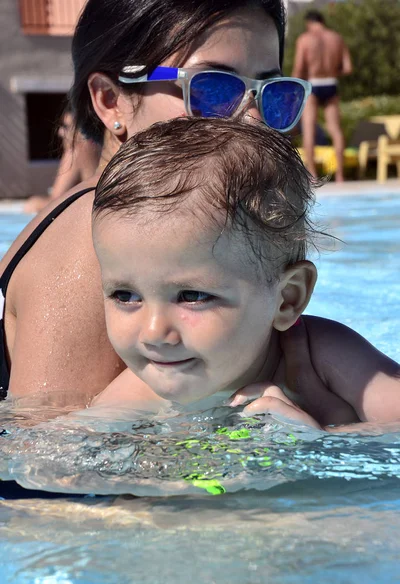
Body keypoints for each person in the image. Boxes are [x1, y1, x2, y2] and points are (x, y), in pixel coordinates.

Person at [0, 0, 313, 402]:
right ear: (111, 100)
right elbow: (51, 455)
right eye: (212, 89)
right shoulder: (104, 234)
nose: (252, 120)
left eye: (274, 94)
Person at [91, 118, 400, 430]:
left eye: (192, 296)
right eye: (125, 295)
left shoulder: (325, 357)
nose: (153, 333)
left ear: (287, 298)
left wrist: (323, 441)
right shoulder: (135, 396)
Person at [292, 10, 352, 182]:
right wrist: (333, 71)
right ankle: (340, 175)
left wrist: (295, 89)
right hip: (331, 83)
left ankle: (312, 175)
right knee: (335, 130)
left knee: (309, 130)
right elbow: (348, 68)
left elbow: (298, 68)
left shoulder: (304, 39)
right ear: (322, 21)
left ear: (308, 23)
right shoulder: (336, 38)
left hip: (313, 84)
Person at [23, 112, 100, 214]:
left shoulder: (76, 152)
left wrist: (33, 203)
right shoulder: (99, 147)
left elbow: (54, 201)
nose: (60, 132)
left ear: (81, 129)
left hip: (84, 212)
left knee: (32, 204)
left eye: (66, 127)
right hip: (95, 209)